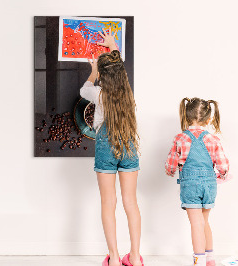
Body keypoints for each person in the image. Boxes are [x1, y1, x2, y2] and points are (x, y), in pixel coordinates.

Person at [80, 28, 143, 266]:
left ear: (103, 77)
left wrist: (94, 70)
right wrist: (113, 46)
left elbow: (83, 90)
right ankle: (135, 257)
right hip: (128, 146)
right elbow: (119, 70)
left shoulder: (98, 94)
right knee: (131, 202)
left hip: (106, 148)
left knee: (109, 203)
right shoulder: (127, 93)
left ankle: (115, 258)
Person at [165, 98, 230, 266]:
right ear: (208, 120)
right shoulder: (213, 139)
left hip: (190, 186)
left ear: (186, 117)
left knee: (196, 224)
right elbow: (223, 165)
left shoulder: (180, 138)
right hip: (209, 185)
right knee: (204, 222)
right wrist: (222, 176)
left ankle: (199, 261)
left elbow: (170, 164)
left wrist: (170, 171)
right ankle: (210, 260)